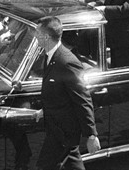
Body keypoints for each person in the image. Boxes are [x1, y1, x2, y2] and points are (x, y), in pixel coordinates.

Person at [34, 16, 101, 170]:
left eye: (37, 33)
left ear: (45, 37)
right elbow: (58, 92)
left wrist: (91, 134)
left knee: (46, 166)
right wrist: (45, 110)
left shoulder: (67, 62)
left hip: (65, 130)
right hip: (57, 127)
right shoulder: (50, 55)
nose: (35, 36)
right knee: (70, 162)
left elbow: (82, 99)